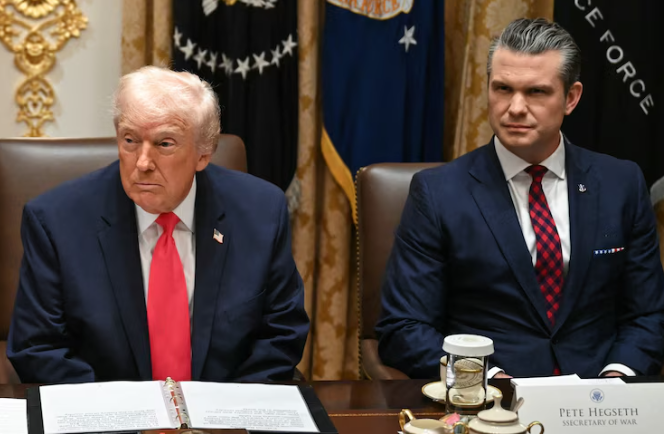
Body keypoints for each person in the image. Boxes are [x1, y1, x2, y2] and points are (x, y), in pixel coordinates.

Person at [375, 18, 664, 379]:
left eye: (536, 92)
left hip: (598, 392)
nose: (515, 107)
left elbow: (647, 315)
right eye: (503, 88)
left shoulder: (621, 184)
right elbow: (403, 328)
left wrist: (615, 379)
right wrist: (486, 380)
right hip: (491, 397)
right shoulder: (437, 194)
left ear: (571, 98)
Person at [7, 66, 309, 383]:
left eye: (164, 144)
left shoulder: (260, 212)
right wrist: (121, 410)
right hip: (107, 408)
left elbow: (281, 332)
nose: (142, 163)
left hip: (225, 408)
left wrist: (228, 409)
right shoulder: (57, 222)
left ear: (204, 153)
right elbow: (37, 348)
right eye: (130, 140)